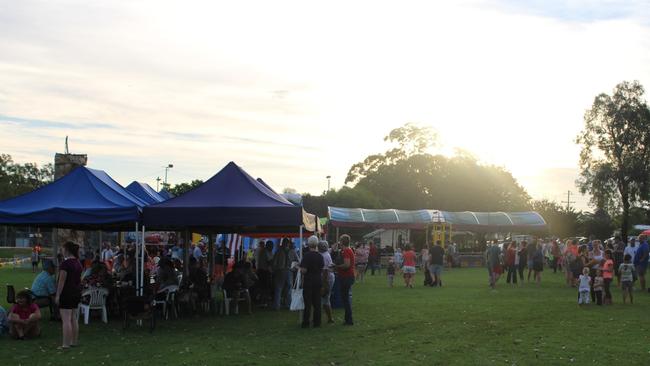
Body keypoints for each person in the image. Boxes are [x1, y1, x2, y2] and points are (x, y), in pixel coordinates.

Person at [55, 241, 82, 350]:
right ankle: (74, 341)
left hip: (66, 293)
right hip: (76, 293)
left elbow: (61, 281)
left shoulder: (65, 264)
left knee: (66, 320)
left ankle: (65, 344)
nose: (62, 251)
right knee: (73, 318)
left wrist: (57, 295)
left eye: (62, 249)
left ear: (67, 249)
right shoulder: (78, 263)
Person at [299, 236, 324, 328]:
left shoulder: (306, 256)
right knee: (317, 303)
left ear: (309, 244)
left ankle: (306, 322)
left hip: (309, 281)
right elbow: (321, 268)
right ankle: (317, 322)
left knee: (308, 303)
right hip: (318, 280)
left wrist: (299, 268)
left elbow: (304, 270)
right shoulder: (320, 256)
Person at [336, 234, 355, 326]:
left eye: (340, 240)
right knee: (345, 298)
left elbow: (347, 265)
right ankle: (348, 319)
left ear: (342, 241)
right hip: (346, 276)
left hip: (346, 277)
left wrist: (337, 267)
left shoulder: (347, 251)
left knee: (346, 299)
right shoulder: (346, 250)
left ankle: (349, 320)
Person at [318, 240, 335, 324]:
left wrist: (324, 285)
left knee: (325, 299)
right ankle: (328, 318)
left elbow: (325, 271)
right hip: (329, 277)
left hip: (327, 279)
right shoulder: (326, 253)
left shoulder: (323, 256)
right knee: (325, 299)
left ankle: (329, 318)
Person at [272, 238, 290, 310]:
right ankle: (288, 304)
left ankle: (277, 305)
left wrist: (274, 269)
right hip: (287, 270)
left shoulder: (278, 251)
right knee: (288, 289)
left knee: (279, 288)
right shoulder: (289, 251)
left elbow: (274, 262)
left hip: (280, 270)